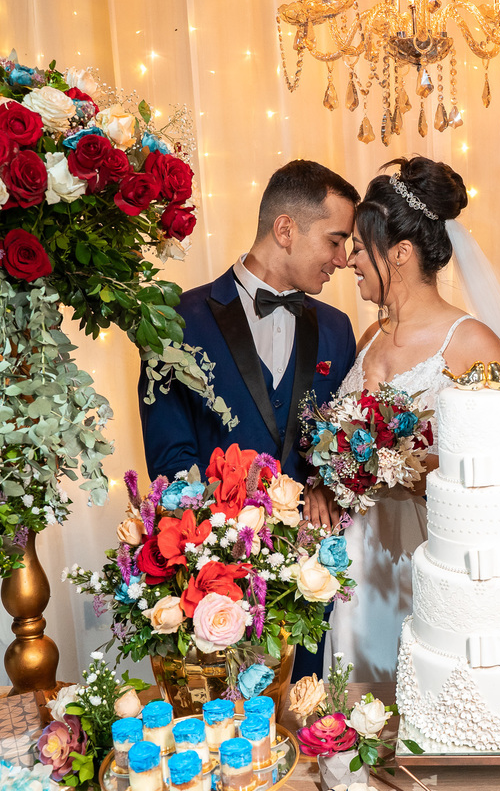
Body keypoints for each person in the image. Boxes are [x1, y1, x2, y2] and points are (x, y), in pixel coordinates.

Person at [137, 159, 359, 678]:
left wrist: (328, 483)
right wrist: (215, 549)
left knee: (304, 708)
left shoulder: (336, 328)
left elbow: (341, 436)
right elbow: (170, 457)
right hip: (212, 576)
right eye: (334, 240)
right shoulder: (175, 321)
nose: (343, 258)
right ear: (285, 229)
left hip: (307, 572)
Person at [322, 156, 500, 682]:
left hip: (432, 562)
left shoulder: (472, 344)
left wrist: (416, 471)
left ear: (400, 252)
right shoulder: (368, 340)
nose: (349, 262)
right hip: (359, 559)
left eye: (360, 250)